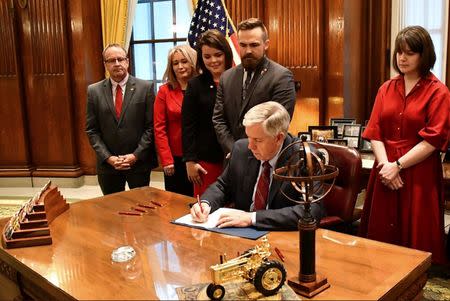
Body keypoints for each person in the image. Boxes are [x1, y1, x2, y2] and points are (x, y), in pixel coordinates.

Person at [359, 26, 450, 264]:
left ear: (424, 54)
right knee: (381, 237)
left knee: (416, 237)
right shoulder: (386, 88)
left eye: (410, 52)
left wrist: (398, 165)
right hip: (385, 168)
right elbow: (375, 131)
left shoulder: (439, 92)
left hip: (418, 171)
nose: (402, 58)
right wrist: (386, 166)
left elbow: (433, 139)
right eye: (400, 52)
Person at [190, 101, 325, 230]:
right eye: (249, 137)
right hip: (239, 234)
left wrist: (252, 218)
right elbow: (223, 186)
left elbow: (311, 211)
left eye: (258, 140)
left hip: (285, 237)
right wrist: (206, 203)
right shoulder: (241, 149)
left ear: (278, 137)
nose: (250, 146)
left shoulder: (305, 158)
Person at [212, 18, 296, 157]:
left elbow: (277, 124)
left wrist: (244, 151)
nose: (248, 50)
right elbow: (219, 119)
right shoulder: (226, 77)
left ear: (266, 44)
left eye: (254, 45)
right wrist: (234, 150)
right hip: (231, 158)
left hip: (263, 159)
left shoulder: (281, 77)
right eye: (243, 45)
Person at [86, 44, 157, 195]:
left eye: (120, 59)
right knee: (111, 211)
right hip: (108, 166)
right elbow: (92, 130)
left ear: (127, 61)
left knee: (141, 208)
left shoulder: (146, 88)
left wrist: (135, 155)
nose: (117, 63)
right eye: (111, 60)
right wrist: (108, 157)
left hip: (138, 164)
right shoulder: (94, 91)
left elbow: (151, 127)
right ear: (105, 64)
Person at [182, 30, 232, 196]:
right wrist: (190, 160)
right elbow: (188, 125)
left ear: (226, 53)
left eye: (218, 54)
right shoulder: (195, 85)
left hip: (235, 156)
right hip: (206, 161)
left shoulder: (240, 80)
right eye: (207, 56)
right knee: (206, 209)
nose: (213, 60)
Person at [154, 45, 197, 196]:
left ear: (193, 62)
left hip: (201, 156)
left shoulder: (204, 87)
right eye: (175, 63)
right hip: (175, 159)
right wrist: (166, 160)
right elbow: (159, 128)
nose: (180, 66)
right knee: (176, 202)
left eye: (184, 61)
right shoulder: (164, 91)